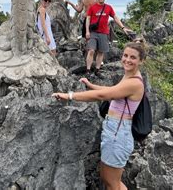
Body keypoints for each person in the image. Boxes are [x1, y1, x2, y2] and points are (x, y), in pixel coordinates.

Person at [52, 41, 146, 190]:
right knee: (107, 179)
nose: (127, 60)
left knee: (112, 182)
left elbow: (103, 95)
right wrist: (91, 85)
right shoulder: (128, 76)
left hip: (118, 133)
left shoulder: (134, 83)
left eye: (133, 57)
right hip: (114, 131)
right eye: (125, 55)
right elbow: (113, 91)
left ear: (141, 61)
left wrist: (69, 95)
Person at [85, 0, 132, 77]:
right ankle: (88, 70)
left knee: (101, 52)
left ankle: (97, 69)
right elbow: (88, 19)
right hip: (93, 32)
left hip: (104, 32)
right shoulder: (92, 7)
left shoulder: (108, 7)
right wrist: (87, 31)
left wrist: (123, 27)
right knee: (91, 50)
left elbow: (115, 17)